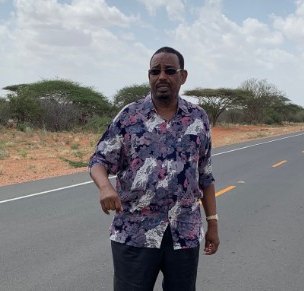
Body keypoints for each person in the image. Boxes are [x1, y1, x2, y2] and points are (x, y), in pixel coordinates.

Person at [89, 46, 219, 291]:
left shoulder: (198, 118)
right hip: (135, 232)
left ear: (183, 76)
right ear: (148, 76)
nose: (162, 76)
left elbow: (205, 175)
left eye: (170, 71)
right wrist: (106, 187)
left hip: (184, 233)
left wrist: (212, 224)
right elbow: (98, 161)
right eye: (154, 71)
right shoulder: (129, 116)